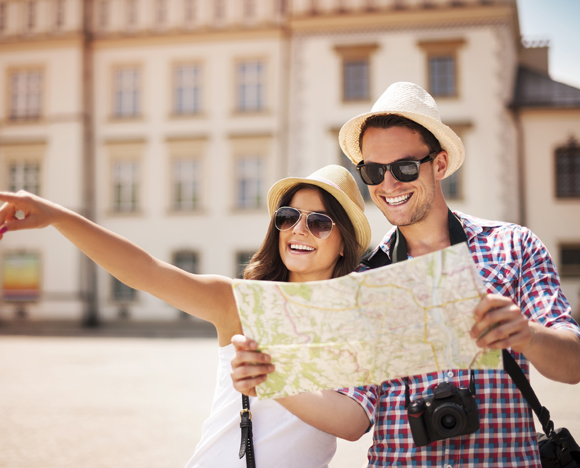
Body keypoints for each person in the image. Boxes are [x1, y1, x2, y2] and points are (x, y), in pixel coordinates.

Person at [230, 82, 580, 466]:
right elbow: (352, 419)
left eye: (405, 167)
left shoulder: (513, 246)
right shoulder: (363, 280)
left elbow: (573, 364)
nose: (389, 184)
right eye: (374, 171)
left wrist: (526, 335)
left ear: (440, 164)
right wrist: (271, 378)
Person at [0, 164, 372, 468]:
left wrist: (271, 377)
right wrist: (57, 217)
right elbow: (145, 271)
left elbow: (353, 423)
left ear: (344, 242)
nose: (298, 230)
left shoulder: (355, 321)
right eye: (288, 217)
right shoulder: (241, 302)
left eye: (319, 222)